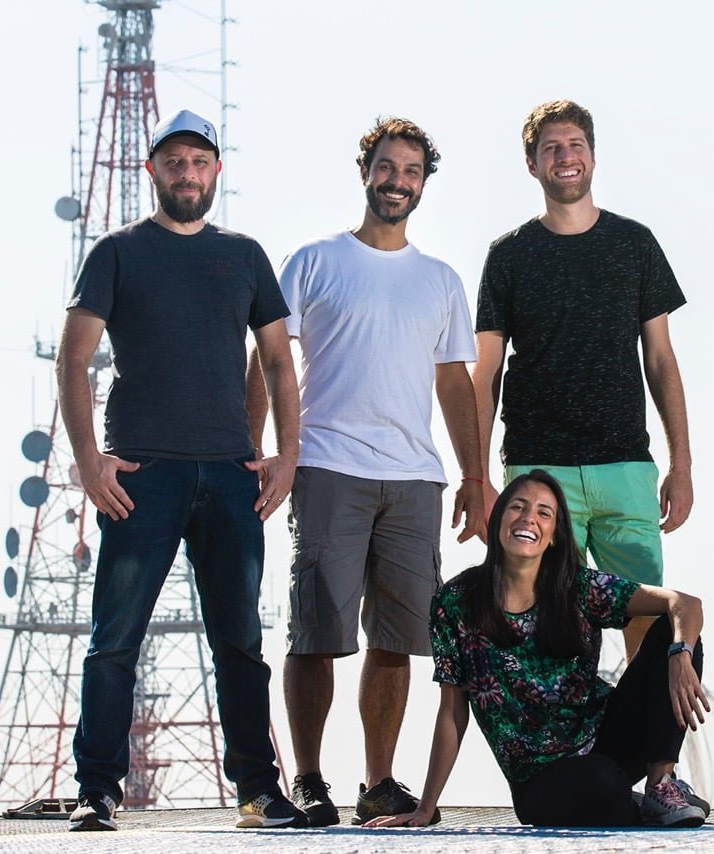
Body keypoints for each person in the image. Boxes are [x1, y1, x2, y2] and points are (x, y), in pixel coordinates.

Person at [57, 108, 306, 830]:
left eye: (199, 163)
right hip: (141, 473)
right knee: (114, 640)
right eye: (174, 163)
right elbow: (74, 358)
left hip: (231, 472)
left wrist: (286, 455)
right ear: (154, 172)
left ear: (216, 172)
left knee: (241, 643)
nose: (187, 174)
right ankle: (98, 790)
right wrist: (87, 460)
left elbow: (280, 362)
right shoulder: (117, 252)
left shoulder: (246, 255)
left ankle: (258, 791)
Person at [246, 117, 485, 828]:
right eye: (387, 167)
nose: (397, 180)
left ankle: (378, 782)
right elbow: (271, 357)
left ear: (422, 184)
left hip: (415, 479)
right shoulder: (314, 262)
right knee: (316, 633)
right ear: (365, 172)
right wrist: (255, 450)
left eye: (411, 171)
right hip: (326, 466)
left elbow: (454, 381)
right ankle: (311, 780)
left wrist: (475, 475)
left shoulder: (439, 280)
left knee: (398, 639)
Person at [365, 470, 711, 828]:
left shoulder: (577, 586)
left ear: (553, 535)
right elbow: (453, 711)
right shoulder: (456, 601)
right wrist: (426, 808)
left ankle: (661, 784)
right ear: (498, 518)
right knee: (602, 781)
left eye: (544, 513)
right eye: (518, 506)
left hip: (609, 740)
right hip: (542, 781)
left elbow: (683, 603)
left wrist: (680, 654)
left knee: (674, 632)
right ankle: (628, 802)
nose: (529, 518)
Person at [472, 99, 692, 659]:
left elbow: (662, 360)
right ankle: (571, 748)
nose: (565, 158)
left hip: (625, 467)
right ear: (533, 165)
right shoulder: (508, 255)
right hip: (538, 469)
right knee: (545, 632)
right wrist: (476, 477)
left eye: (575, 146)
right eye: (551, 149)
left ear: (592, 156)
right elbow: (487, 372)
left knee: (648, 628)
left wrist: (681, 465)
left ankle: (647, 750)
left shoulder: (635, 244)